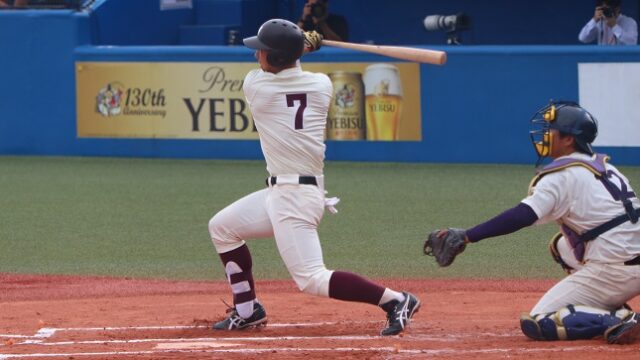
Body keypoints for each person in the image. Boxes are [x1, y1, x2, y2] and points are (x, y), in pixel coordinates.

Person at [208, 18, 420, 336]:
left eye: (262, 51)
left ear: (274, 58)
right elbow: (288, 62)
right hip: (286, 192)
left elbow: (279, 64)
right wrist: (300, 46)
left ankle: (395, 300)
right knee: (222, 227)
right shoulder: (322, 85)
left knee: (311, 278)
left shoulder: (257, 87)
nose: (257, 55)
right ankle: (247, 310)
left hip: (293, 197)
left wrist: (303, 43)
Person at [426, 101, 640, 344]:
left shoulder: (561, 176)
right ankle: (609, 304)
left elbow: (523, 215)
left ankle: (617, 319)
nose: (546, 134)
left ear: (569, 139)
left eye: (552, 129)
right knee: (562, 246)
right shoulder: (607, 168)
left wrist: (468, 235)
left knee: (539, 320)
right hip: (630, 258)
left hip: (614, 270)